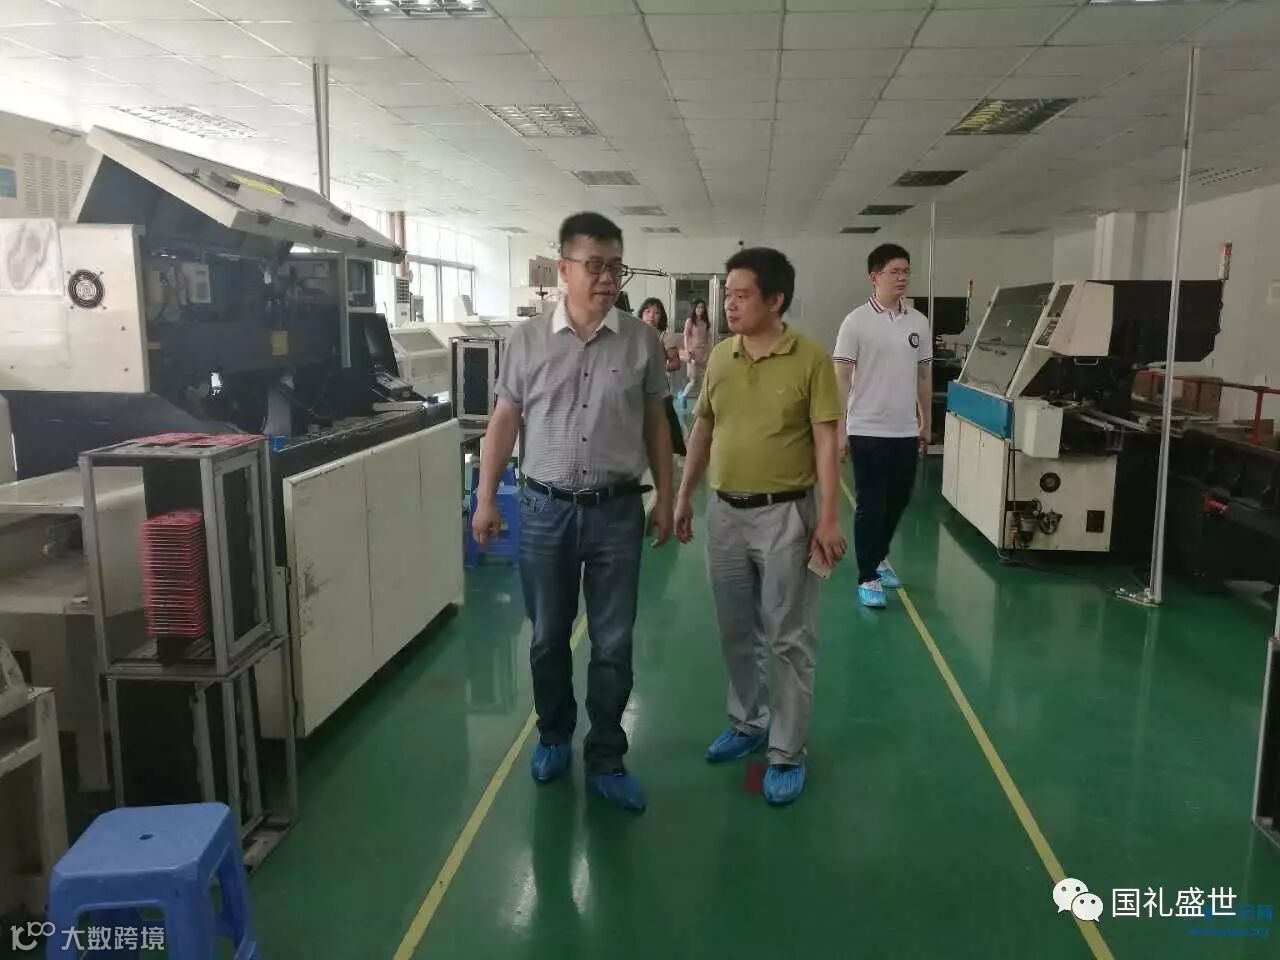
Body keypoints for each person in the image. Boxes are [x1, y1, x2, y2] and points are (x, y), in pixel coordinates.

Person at [472, 212, 674, 813]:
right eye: (595, 266)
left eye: (616, 267)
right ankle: (554, 735)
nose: (607, 278)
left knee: (613, 642)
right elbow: (505, 420)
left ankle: (607, 755)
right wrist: (486, 497)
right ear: (564, 269)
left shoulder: (641, 342)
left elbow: (656, 424)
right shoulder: (527, 340)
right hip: (544, 511)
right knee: (546, 638)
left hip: (617, 512)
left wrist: (667, 497)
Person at [675, 247, 845, 807]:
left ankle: (787, 751)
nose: (729, 304)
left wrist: (827, 517)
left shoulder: (810, 359)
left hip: (785, 515)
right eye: (727, 294)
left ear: (775, 300)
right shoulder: (721, 357)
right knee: (734, 628)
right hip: (724, 513)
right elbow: (703, 428)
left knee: (789, 638)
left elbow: (826, 442)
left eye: (741, 295)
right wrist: (684, 495)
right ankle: (748, 721)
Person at [832, 243, 931, 610]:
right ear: (874, 277)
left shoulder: (918, 321)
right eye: (895, 272)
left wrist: (926, 419)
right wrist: (840, 427)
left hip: (904, 429)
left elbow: (924, 374)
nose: (902, 278)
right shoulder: (856, 321)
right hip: (866, 428)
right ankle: (867, 575)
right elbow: (841, 377)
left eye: (906, 271)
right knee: (871, 504)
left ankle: (878, 555)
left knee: (899, 499)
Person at [638, 297, 687, 457]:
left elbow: (676, 363)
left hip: (658, 388)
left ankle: (677, 453)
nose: (651, 316)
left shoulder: (665, 337)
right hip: (636, 387)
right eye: (648, 311)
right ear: (641, 314)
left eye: (656, 312)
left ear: (662, 317)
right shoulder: (634, 335)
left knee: (667, 422)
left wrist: (659, 368)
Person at [680, 298, 712, 407]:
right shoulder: (690, 321)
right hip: (693, 353)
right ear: (694, 308)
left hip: (704, 353)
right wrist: (687, 350)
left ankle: (703, 403)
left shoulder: (706, 322)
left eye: (702, 307)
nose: (700, 309)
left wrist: (711, 349)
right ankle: (683, 396)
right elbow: (685, 335)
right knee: (693, 380)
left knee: (704, 380)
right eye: (698, 307)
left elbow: (708, 337)